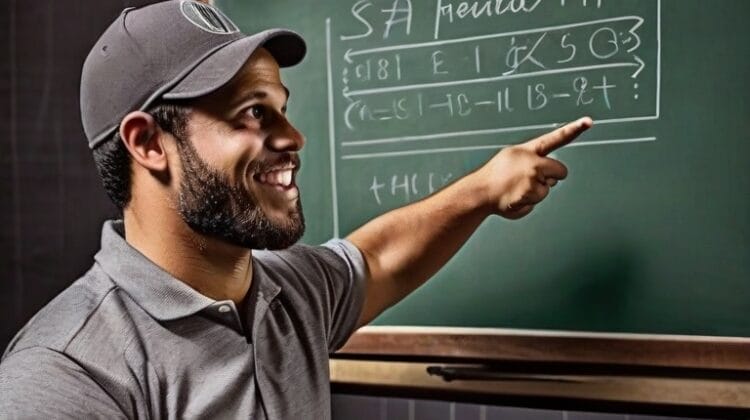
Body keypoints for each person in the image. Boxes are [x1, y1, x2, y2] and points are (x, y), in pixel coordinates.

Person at [0, 1, 592, 418]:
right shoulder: (64, 375)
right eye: (254, 112)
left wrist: (483, 191)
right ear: (149, 143)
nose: (293, 137)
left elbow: (381, 258)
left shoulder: (289, 293)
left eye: (281, 107)